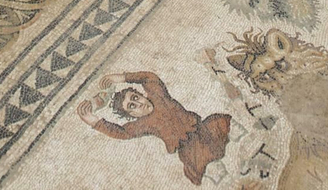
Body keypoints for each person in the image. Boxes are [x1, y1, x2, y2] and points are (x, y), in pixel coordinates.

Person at [76, 71, 231, 186]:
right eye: (132, 106)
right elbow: (121, 132)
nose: (140, 104)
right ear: (132, 115)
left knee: (222, 123)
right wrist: (94, 121)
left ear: (142, 94)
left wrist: (122, 78)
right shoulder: (142, 124)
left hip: (202, 129)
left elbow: (149, 78)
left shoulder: (157, 95)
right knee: (205, 167)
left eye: (135, 98)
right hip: (188, 149)